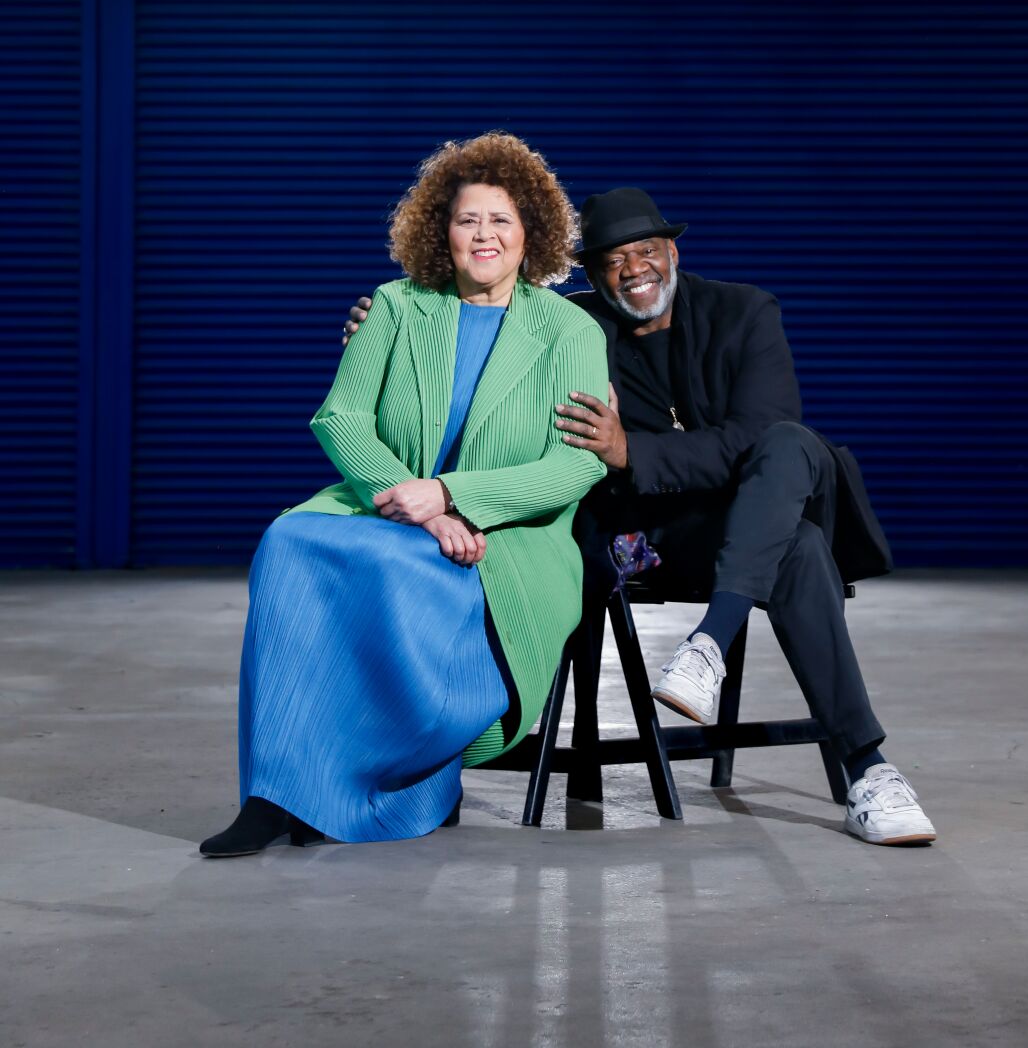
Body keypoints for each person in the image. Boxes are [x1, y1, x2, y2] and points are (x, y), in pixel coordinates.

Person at [345, 184, 936, 846]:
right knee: (793, 546)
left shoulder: (744, 313)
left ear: (671, 251)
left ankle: (726, 658)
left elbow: (761, 435)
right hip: (653, 540)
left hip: (753, 519)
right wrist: (389, 325)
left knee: (792, 454)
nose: (634, 270)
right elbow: (475, 325)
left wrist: (631, 450)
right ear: (593, 274)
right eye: (613, 260)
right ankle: (865, 763)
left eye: (646, 251)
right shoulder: (574, 326)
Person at [200, 133, 608, 857]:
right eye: (467, 220)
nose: (483, 235)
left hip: (507, 537)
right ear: (439, 232)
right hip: (392, 512)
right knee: (291, 540)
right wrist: (405, 496)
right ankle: (273, 791)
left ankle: (406, 779)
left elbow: (574, 467)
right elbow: (342, 416)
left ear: (531, 235)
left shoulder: (571, 329)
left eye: (501, 221)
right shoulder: (395, 306)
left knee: (400, 573)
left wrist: (451, 497)